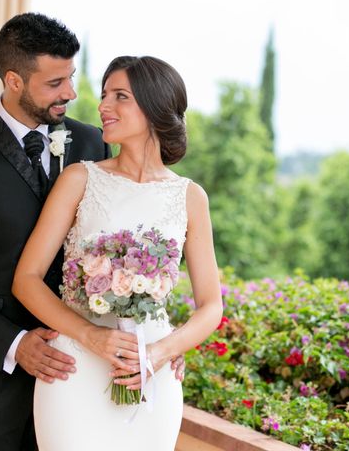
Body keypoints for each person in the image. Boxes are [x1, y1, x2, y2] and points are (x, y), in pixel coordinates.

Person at [0, 13, 184, 451]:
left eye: (72, 77)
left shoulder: (91, 142)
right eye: (55, 82)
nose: (71, 94)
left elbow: (135, 245)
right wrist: (14, 343)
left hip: (89, 374)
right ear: (14, 80)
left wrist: (157, 341)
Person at [12, 55, 223, 450]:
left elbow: (211, 305)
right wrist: (90, 336)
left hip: (151, 376)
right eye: (105, 95)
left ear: (155, 106)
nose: (103, 106)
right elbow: (26, 280)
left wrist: (163, 351)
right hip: (74, 370)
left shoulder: (190, 197)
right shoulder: (80, 179)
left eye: (120, 96)